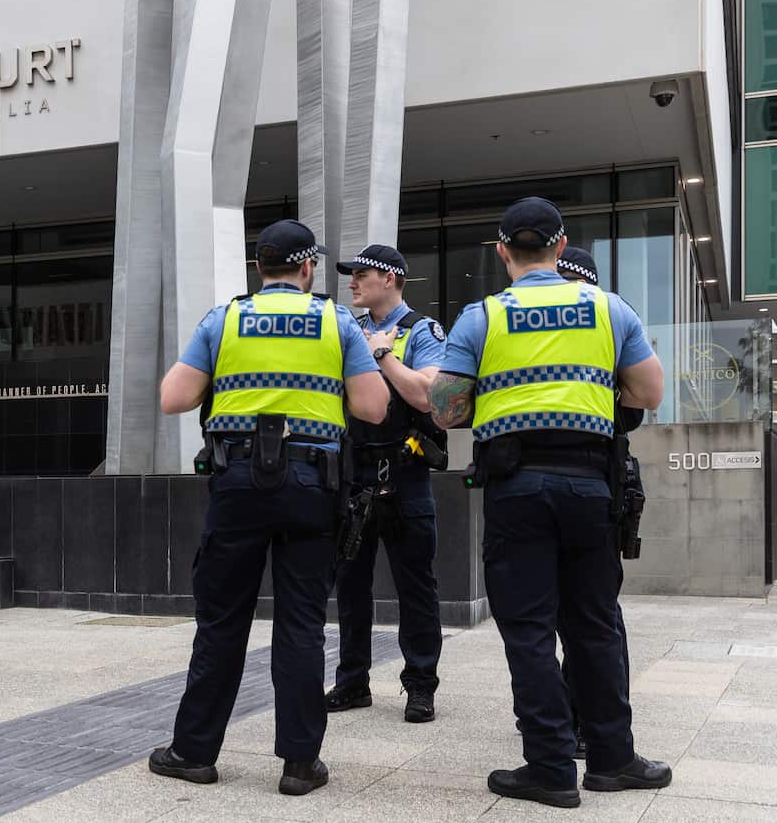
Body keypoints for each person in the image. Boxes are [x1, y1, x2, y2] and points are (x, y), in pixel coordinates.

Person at [428, 197, 671, 808]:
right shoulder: (609, 309)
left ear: (504, 251)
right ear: (562, 249)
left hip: (516, 491)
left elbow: (447, 411)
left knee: (531, 631)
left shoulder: (480, 318)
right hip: (593, 487)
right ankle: (613, 759)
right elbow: (649, 392)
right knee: (594, 624)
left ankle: (551, 768)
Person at [149, 218, 390, 796]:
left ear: (260, 269)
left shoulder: (225, 318)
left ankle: (194, 753)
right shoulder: (336, 322)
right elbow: (374, 409)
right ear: (307, 269)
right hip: (312, 486)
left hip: (236, 485)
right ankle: (300, 764)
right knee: (302, 625)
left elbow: (172, 398)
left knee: (222, 622)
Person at [324, 245, 445, 723]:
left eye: (362, 274)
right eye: (351, 275)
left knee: (417, 586)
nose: (353, 282)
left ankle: (420, 686)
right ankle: (352, 682)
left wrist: (384, 356)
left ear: (392, 279)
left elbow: (429, 396)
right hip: (355, 473)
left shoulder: (423, 329)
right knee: (351, 586)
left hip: (407, 474)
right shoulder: (345, 330)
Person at [553, 245, 635, 761]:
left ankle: (583, 719)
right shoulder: (609, 324)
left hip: (590, 483)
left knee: (589, 616)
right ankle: (584, 720)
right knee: (592, 615)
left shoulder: (604, 327)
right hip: (594, 486)